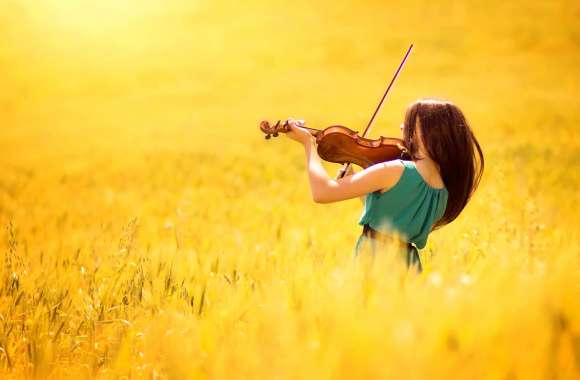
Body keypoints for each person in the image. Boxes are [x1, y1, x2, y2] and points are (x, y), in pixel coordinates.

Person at [283, 98, 484, 273]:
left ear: (427, 131)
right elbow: (391, 213)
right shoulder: (443, 188)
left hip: (375, 260)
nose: (402, 128)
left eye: (409, 123)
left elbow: (322, 193)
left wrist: (308, 144)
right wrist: (353, 179)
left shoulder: (395, 169)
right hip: (408, 265)